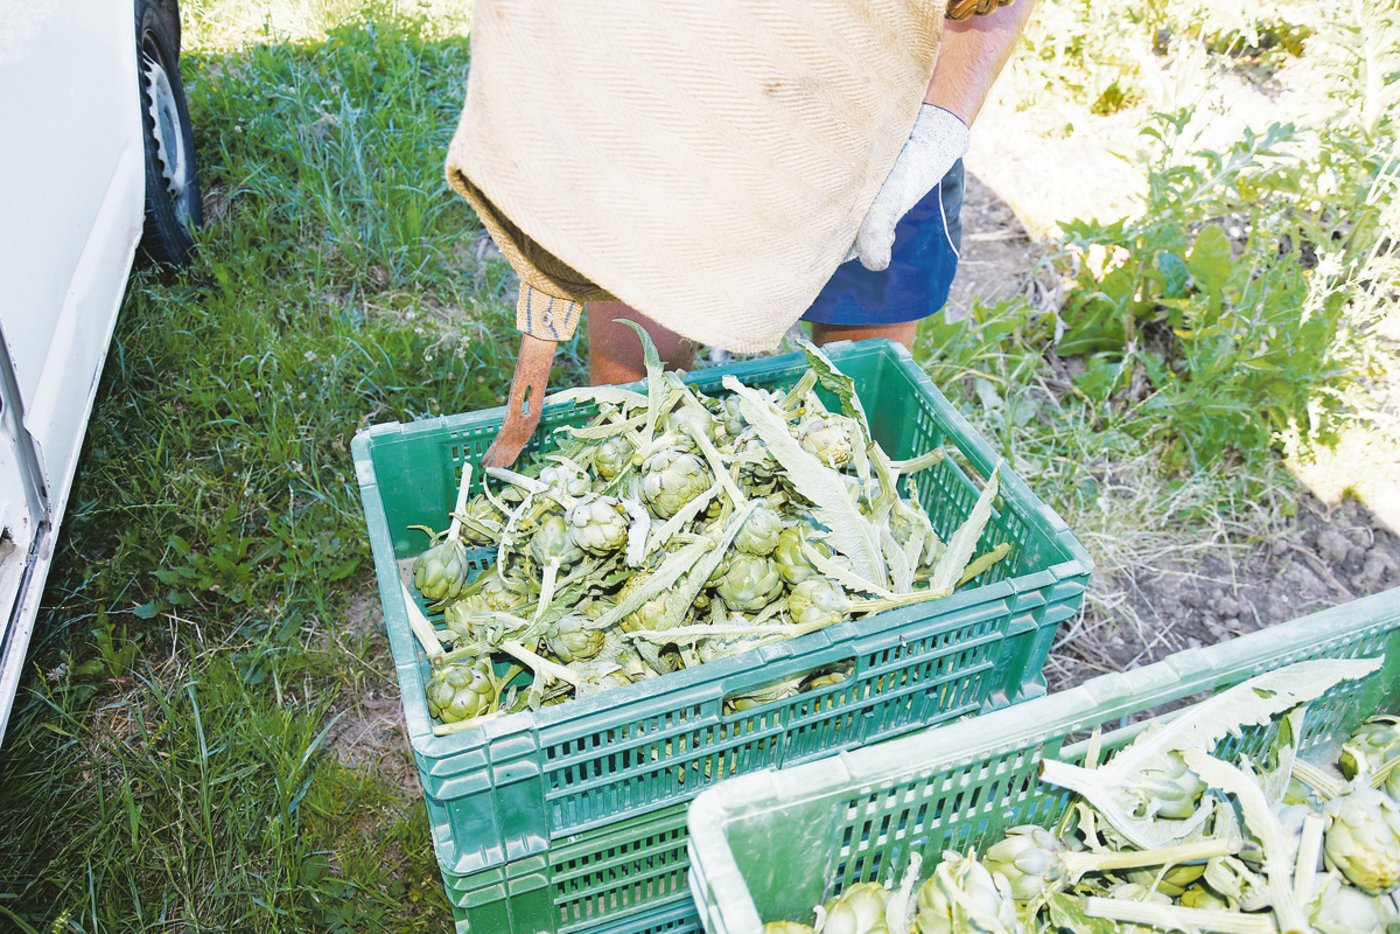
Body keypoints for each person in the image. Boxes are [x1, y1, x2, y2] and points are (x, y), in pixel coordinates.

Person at [586, 0, 1038, 385]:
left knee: (855, 403)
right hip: (697, 76)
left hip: (886, 100)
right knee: (635, 392)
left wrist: (937, 131)